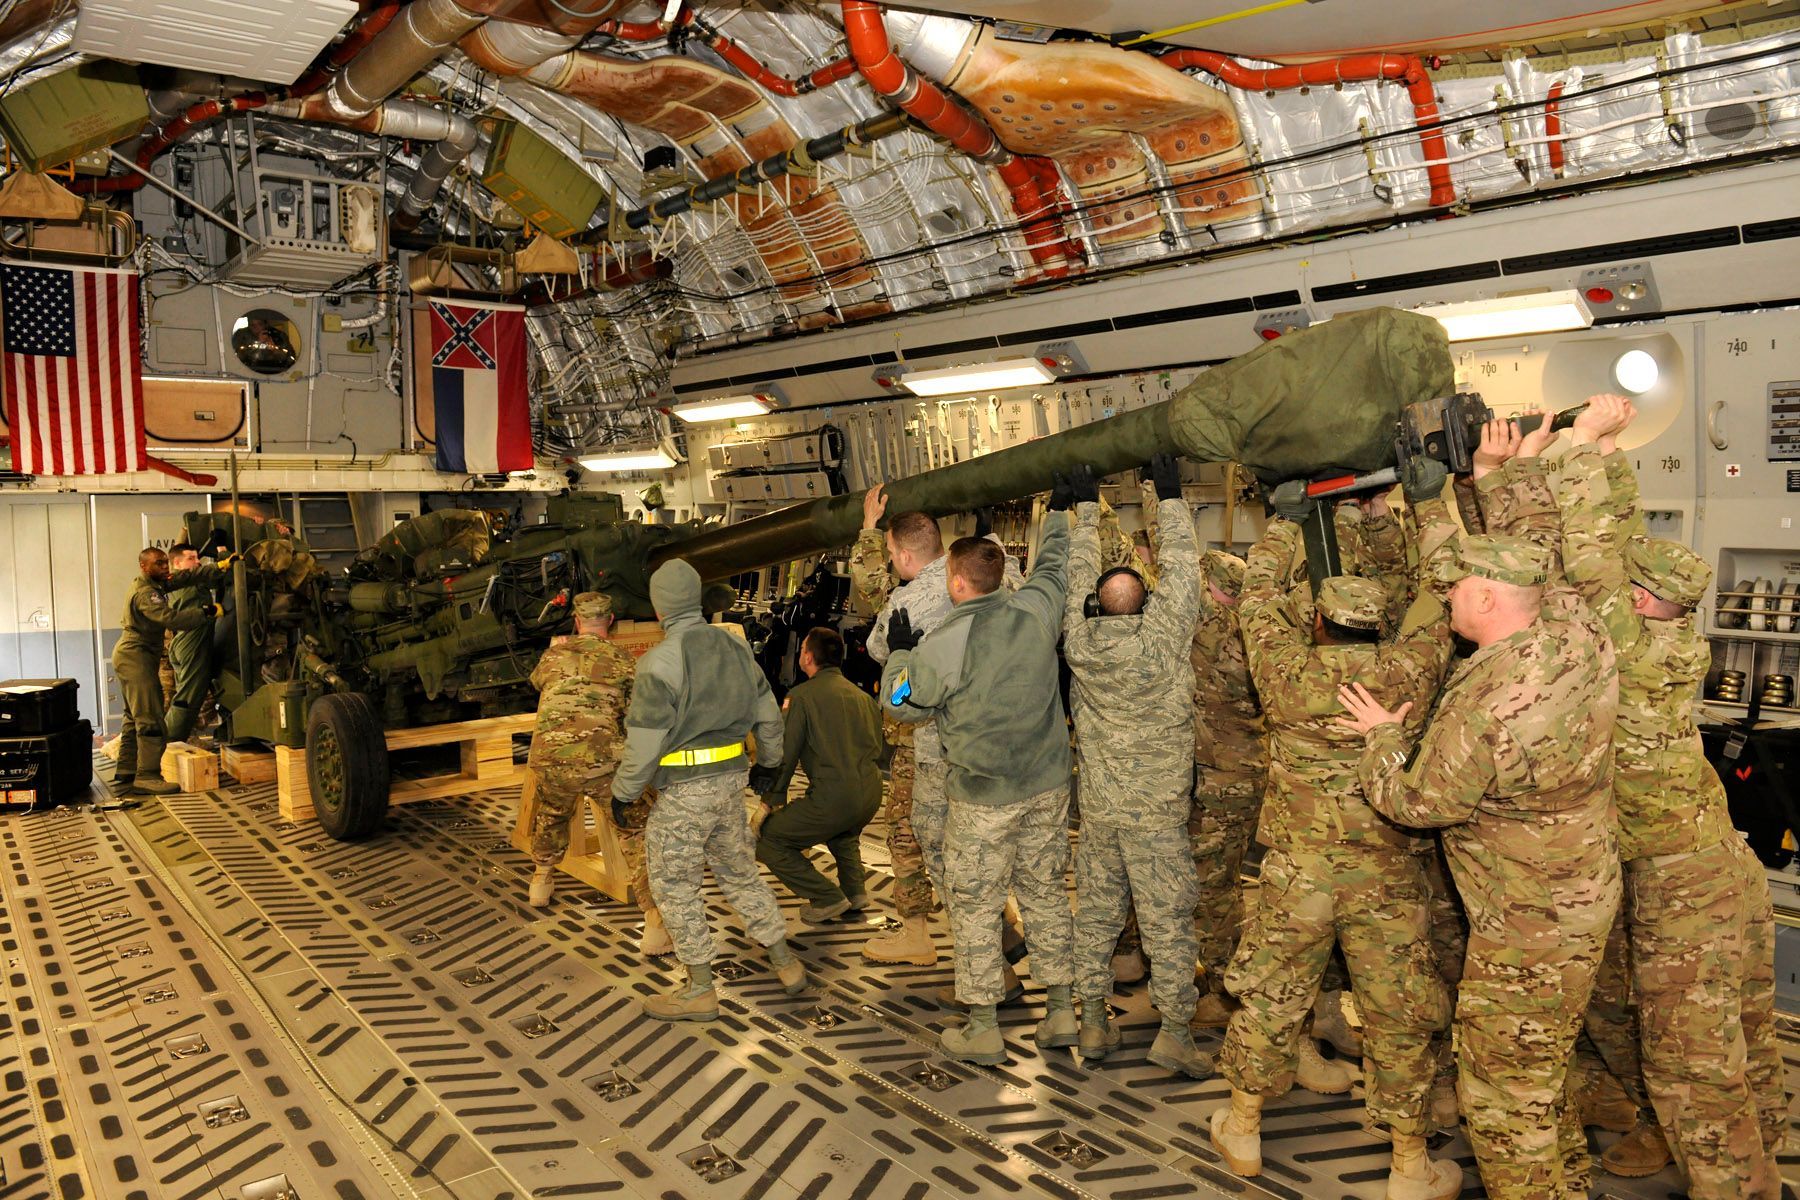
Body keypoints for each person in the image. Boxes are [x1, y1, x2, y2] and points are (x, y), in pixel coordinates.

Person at [1339, 422, 1623, 1200]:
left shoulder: (1489, 707)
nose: (1448, 592)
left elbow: (1416, 801)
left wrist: (1382, 736)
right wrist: (1496, 473)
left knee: (1501, 1103)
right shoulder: (1576, 633)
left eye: (1457, 586)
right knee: (1544, 1071)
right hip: (1584, 894)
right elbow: (1541, 548)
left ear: (1489, 599)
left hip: (1524, 927)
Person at [1555, 395, 1785, 1198]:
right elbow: (1614, 546)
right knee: (1746, 1034)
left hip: (1684, 886)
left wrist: (1578, 447)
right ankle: (1767, 1151)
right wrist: (1612, 451)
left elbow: (1589, 556)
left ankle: (1737, 1185)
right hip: (1718, 867)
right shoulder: (1674, 637)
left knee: (1695, 1057)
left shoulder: (1629, 649)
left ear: (1642, 602)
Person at [1209, 471, 1459, 1200]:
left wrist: (1288, 524)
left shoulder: (1288, 674)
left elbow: (1256, 601)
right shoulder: (1405, 672)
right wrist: (1429, 502)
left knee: (1272, 996)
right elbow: (1442, 598)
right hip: (1387, 881)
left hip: (1298, 878)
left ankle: (1244, 1126)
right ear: (1377, 625)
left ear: (1317, 622)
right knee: (1398, 1016)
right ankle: (1410, 1165)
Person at [879, 471, 1078, 1065]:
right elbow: (1054, 565)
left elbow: (899, 704)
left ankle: (985, 1023)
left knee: (975, 901)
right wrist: (1061, 514)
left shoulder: (943, 646)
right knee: (1045, 894)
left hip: (981, 798)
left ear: (957, 582)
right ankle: (1062, 1010)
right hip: (1046, 788)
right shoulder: (1036, 612)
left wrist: (898, 654)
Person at [1061, 454, 1211, 1077]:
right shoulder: (1162, 640)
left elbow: (1072, 582)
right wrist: (1167, 493)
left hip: (1099, 813)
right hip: (1157, 819)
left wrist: (1075, 510)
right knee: (1167, 921)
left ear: (1098, 608)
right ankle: (1175, 1030)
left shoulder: (1078, 643)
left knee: (1095, 915)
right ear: (1146, 607)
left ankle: (1092, 1020)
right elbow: (1185, 572)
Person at [611, 559, 805, 1021]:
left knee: (674, 884)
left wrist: (624, 792)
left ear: (660, 609)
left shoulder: (659, 662)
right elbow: (768, 715)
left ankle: (699, 989)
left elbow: (645, 739)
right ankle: (786, 962)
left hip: (684, 795)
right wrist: (770, 766)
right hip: (731, 785)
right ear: (696, 600)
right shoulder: (735, 647)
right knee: (739, 871)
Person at [853, 487, 1025, 985]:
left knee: (929, 842)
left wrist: (868, 532)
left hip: (930, 744)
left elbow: (880, 646)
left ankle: (986, 963)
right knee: (977, 842)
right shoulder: (1001, 575)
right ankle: (1004, 928)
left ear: (903, 556)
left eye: (890, 553)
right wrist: (988, 531)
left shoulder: (909, 601)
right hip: (990, 739)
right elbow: (1009, 568)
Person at [525, 593, 665, 959]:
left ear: (576, 621)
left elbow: (539, 683)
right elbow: (633, 714)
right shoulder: (622, 661)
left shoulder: (554, 655)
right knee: (635, 829)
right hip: (604, 764)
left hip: (553, 758)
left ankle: (541, 881)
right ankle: (653, 921)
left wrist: (557, 648)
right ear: (612, 621)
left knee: (552, 813)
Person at [1187, 547, 1267, 1029]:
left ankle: (1226, 989)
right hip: (1248, 776)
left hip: (1218, 784)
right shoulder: (1256, 634)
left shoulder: (1214, 632)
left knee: (1214, 890)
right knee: (1227, 883)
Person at [753, 627, 884, 923]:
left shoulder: (801, 697)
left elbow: (786, 754)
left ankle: (827, 897)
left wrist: (768, 803)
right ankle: (855, 892)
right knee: (843, 832)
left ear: (808, 657)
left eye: (802, 651)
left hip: (834, 798)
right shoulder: (863, 698)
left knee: (768, 839)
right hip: (870, 795)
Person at [112, 547, 226, 794]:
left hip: (135, 654)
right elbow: (172, 619)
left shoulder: (157, 583)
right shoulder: (146, 593)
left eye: (166, 563)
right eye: (159, 564)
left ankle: (127, 768)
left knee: (134, 714)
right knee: (151, 717)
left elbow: (184, 578)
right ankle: (148, 776)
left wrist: (218, 568)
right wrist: (205, 612)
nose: (165, 568)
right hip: (136, 655)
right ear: (144, 566)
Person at [159, 543, 216, 744]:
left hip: (185, 644)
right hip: (190, 643)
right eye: (191, 558)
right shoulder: (187, 587)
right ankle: (167, 744)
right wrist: (225, 553)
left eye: (197, 557)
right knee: (187, 699)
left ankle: (168, 741)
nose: (198, 561)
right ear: (176, 563)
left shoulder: (175, 582)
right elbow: (214, 578)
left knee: (189, 697)